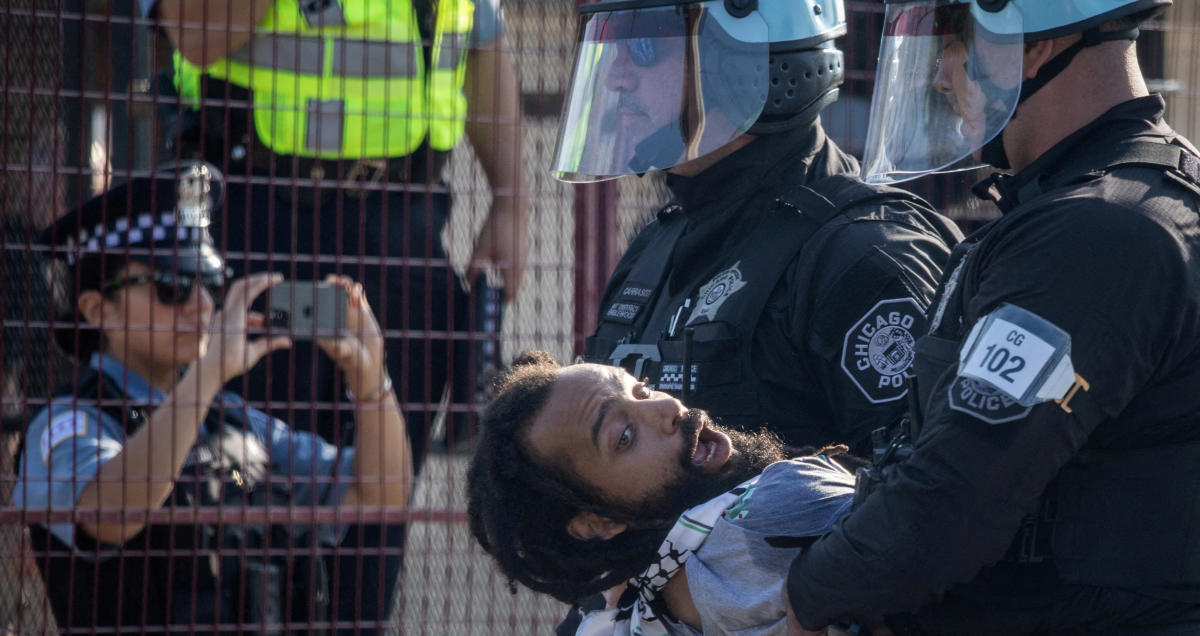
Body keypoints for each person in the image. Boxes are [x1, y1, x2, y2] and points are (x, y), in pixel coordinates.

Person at [785, 1, 1200, 634]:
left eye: (952, 42)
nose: (940, 75)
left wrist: (810, 595)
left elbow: (950, 502)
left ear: (1035, 44)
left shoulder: (1097, 235)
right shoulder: (1108, 205)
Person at [147, 0, 528, 627]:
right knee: (240, 485)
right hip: (255, 220)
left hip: (400, 234)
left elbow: (482, 39)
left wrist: (510, 202)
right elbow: (193, 36)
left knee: (374, 525)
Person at [13, 163, 412, 633]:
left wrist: (370, 378)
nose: (202, 304)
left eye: (210, 283)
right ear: (98, 309)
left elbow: (379, 494)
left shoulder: (227, 418)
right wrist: (207, 375)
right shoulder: (67, 423)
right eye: (173, 286)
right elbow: (109, 512)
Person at [554, 0, 963, 454]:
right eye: (613, 47)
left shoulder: (863, 256)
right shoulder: (658, 245)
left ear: (742, 64)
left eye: (645, 47)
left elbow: (927, 498)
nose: (615, 76)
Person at [466, 351, 857, 635]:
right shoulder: (774, 510)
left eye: (643, 391)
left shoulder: (620, 612)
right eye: (624, 437)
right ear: (597, 522)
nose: (669, 406)